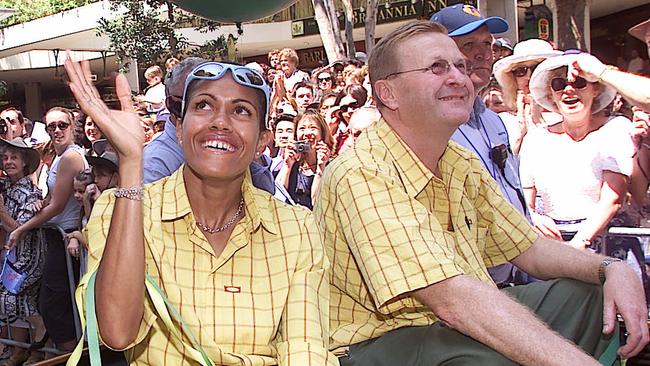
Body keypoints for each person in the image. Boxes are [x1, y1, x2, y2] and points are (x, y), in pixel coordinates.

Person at [314, 20, 648, 366]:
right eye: (437, 67)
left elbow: (530, 249)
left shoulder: (459, 160)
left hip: (446, 324)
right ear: (388, 94)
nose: (459, 76)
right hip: (376, 344)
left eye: (459, 65)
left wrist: (611, 268)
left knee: (586, 292)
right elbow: (451, 300)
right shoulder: (361, 173)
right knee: (487, 358)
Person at [64, 57, 336, 365]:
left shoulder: (296, 228)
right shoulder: (122, 209)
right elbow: (116, 333)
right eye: (204, 105)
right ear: (178, 127)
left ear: (262, 140)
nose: (220, 121)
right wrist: (130, 164)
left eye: (240, 110)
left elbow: (305, 347)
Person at [431, 4, 530, 285]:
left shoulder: (494, 122)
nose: (483, 54)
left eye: (488, 44)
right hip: (473, 286)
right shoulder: (432, 126)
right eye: (468, 44)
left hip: (518, 273)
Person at [522, 51, 635, 250]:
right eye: (559, 84)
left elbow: (613, 198)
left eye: (579, 83)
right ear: (551, 94)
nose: (568, 90)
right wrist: (533, 217)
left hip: (607, 241)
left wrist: (579, 244)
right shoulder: (536, 139)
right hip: (552, 242)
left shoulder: (615, 129)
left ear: (596, 90)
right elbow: (524, 197)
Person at [6, 107, 88, 352]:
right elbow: (51, 200)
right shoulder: (60, 158)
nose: (56, 130)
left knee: (56, 308)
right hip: (57, 238)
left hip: (67, 238)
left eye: (62, 125)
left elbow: (57, 206)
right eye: (51, 126)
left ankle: (74, 358)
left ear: (72, 126)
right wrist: (38, 203)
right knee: (57, 306)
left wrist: (21, 229)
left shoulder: (71, 157)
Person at [0, 138, 47, 366]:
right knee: (9, 301)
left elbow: (21, 229)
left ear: (25, 162)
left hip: (31, 255)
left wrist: (1, 213)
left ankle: (42, 334)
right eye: (6, 158)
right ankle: (22, 351)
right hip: (10, 257)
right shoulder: (5, 187)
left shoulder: (31, 193)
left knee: (10, 298)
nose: (8, 162)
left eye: (14, 158)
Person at [492, 39, 562, 155]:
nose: (529, 76)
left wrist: (538, 121)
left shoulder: (570, 115)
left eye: (536, 68)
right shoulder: (502, 121)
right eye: (521, 71)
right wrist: (520, 135)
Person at [276, 110, 333, 209]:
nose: (307, 133)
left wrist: (321, 167)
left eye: (313, 128)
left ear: (322, 133)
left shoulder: (331, 168)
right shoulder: (293, 164)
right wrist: (287, 165)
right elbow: (277, 197)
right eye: (302, 128)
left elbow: (317, 203)